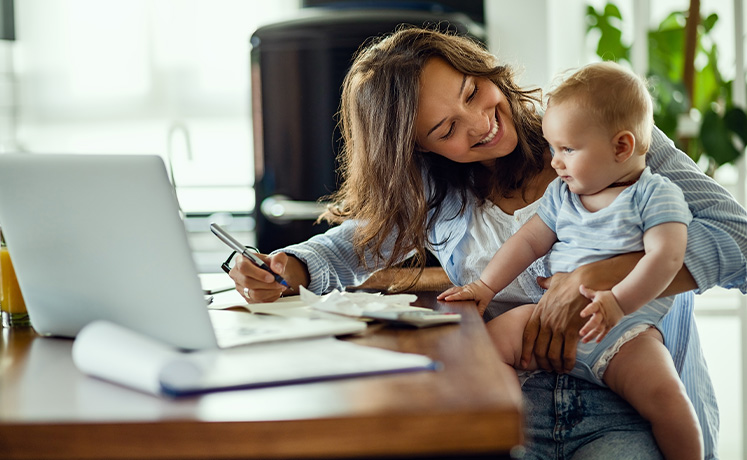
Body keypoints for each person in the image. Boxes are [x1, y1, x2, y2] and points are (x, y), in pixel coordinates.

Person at [229, 26, 747, 459]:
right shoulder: (435, 189)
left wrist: (595, 277)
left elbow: (740, 241)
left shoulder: (597, 129)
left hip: (628, 393)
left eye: (472, 91)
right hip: (510, 395)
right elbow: (350, 246)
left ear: (481, 68)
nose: (480, 123)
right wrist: (285, 267)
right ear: (417, 148)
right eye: (446, 127)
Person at [439, 61, 702, 459]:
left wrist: (618, 302)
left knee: (669, 399)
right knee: (481, 348)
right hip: (548, 317)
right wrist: (485, 285)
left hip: (625, 333)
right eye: (553, 148)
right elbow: (526, 242)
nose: (555, 162)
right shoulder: (564, 195)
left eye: (568, 150)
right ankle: (512, 431)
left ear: (621, 147)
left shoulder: (655, 196)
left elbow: (666, 259)